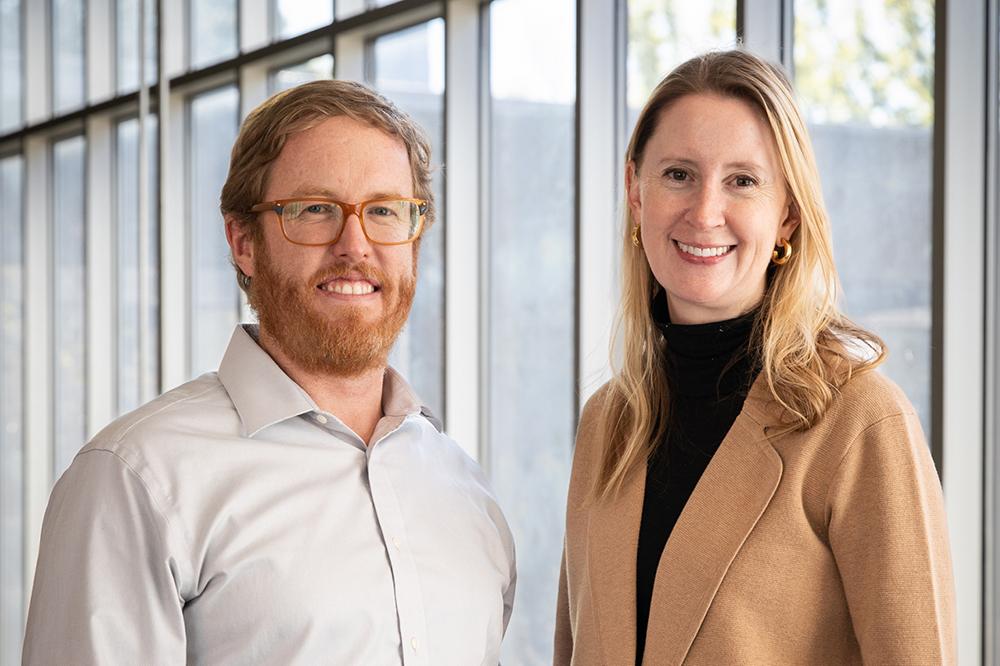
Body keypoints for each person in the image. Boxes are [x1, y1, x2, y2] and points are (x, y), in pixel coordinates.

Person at [23, 80, 515, 665]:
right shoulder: (137, 480)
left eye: (384, 211)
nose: (354, 245)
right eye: (315, 210)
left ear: (414, 237)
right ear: (243, 242)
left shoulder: (464, 490)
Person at [554, 50, 955, 665]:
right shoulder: (607, 422)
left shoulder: (860, 423)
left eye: (742, 180)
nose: (705, 211)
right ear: (635, 193)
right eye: (678, 174)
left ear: (788, 214)